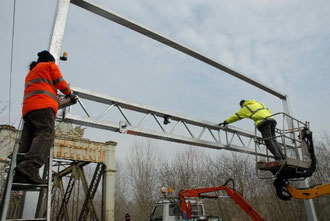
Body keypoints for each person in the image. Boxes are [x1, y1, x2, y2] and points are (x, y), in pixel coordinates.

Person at [13, 50, 74, 184]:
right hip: (44, 107)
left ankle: (20, 174)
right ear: (50, 60)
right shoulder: (49, 66)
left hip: (28, 110)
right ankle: (30, 167)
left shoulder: (31, 73)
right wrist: (69, 94)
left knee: (28, 140)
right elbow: (60, 82)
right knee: (46, 133)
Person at [220, 99, 285, 160]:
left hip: (263, 123)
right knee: (274, 140)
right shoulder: (259, 103)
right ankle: (283, 156)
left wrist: (226, 121)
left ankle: (278, 158)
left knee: (268, 140)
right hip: (272, 120)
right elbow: (268, 110)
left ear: (242, 105)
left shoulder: (245, 108)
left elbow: (236, 116)